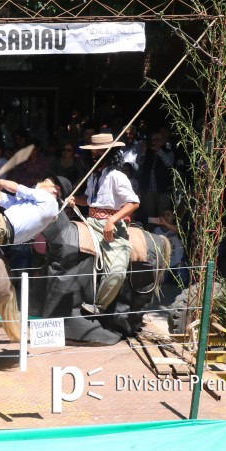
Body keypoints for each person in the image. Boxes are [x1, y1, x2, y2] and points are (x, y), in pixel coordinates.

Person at [67, 133, 140, 315]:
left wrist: (113, 220)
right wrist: (75, 200)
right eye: (93, 152)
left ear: (109, 153)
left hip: (110, 226)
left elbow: (133, 202)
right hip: (90, 220)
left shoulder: (117, 176)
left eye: (99, 152)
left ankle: (100, 305)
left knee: (117, 271)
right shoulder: (93, 176)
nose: (94, 156)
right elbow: (91, 200)